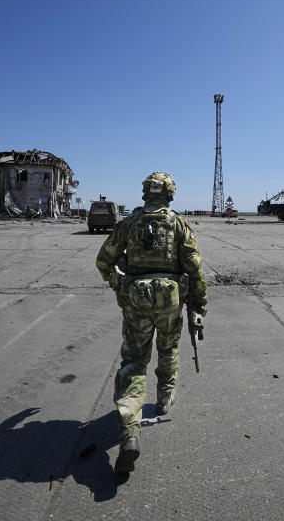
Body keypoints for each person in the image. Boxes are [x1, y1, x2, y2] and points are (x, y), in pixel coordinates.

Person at [95, 172, 208, 473]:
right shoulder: (179, 224)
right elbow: (195, 270)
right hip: (170, 303)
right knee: (168, 349)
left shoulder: (129, 224)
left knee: (133, 362)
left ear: (145, 193)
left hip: (137, 302)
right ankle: (162, 401)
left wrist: (118, 284)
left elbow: (104, 261)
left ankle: (130, 432)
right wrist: (198, 305)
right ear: (170, 194)